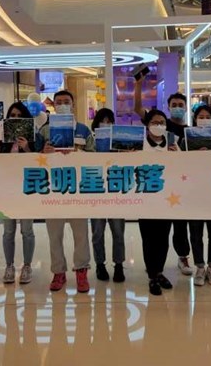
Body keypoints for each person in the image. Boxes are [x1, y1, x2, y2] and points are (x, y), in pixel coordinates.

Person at [39, 90, 93, 293]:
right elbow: (32, 157)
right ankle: (58, 272)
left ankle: (81, 271)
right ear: (54, 106)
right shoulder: (45, 131)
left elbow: (95, 156)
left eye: (66, 101)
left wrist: (78, 153)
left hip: (78, 190)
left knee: (81, 235)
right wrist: (43, 152)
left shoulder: (84, 130)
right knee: (54, 235)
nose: (62, 104)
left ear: (72, 104)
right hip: (53, 190)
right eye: (59, 102)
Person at [139, 109, 179, 296]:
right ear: (147, 125)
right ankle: (152, 275)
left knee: (163, 238)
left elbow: (183, 167)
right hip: (145, 199)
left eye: (162, 122)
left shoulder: (173, 143)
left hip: (166, 199)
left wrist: (177, 156)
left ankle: (159, 271)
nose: (158, 126)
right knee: (148, 238)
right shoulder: (139, 144)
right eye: (154, 122)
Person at [183, 105, 211, 286]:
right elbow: (180, 163)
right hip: (194, 192)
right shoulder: (186, 139)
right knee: (195, 232)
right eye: (201, 116)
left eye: (208, 116)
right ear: (195, 118)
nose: (204, 119)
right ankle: (200, 266)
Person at [0, 102, 36, 285]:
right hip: (7, 190)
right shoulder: (2, 141)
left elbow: (39, 162)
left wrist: (27, 148)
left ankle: (27, 265)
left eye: (19, 115)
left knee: (27, 230)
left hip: (27, 190)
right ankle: (9, 266)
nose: (15, 118)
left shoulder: (33, 138)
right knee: (8, 231)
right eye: (12, 115)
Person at [90, 108, 125, 283]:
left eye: (109, 121)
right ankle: (100, 264)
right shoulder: (90, 140)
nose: (106, 124)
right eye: (102, 121)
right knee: (97, 232)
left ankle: (119, 264)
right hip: (95, 190)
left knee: (118, 231)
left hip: (115, 191)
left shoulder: (119, 142)